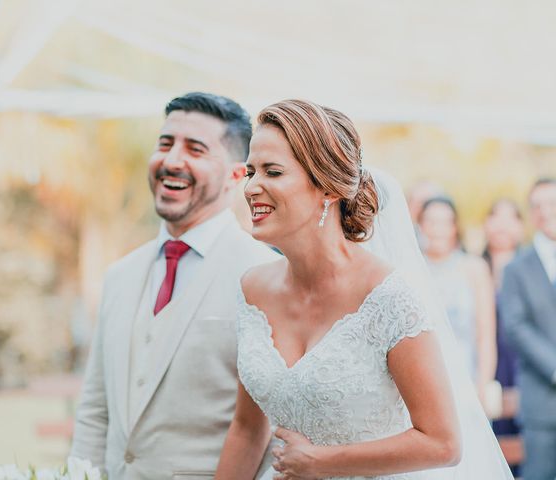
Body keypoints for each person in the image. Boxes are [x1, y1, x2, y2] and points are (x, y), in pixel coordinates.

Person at [216, 99, 512, 479]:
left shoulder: (388, 298)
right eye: (251, 172)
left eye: (273, 172)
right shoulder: (253, 288)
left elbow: (443, 443)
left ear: (327, 187)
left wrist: (318, 463)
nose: (253, 187)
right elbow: (246, 428)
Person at [70, 92, 278, 479]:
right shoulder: (120, 275)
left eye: (195, 149)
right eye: (165, 144)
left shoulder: (266, 274)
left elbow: (272, 430)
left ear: (237, 174)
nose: (171, 160)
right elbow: (95, 411)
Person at [500, 178, 556, 480]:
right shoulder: (516, 269)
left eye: (552, 204)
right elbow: (515, 327)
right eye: (538, 206)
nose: (546, 212)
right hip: (543, 405)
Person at [418, 196, 497, 405]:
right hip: (420, 379)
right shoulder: (411, 270)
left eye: (445, 222)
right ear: (420, 225)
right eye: (431, 222)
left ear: (455, 227)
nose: (437, 230)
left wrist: (483, 383)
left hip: (465, 377)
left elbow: (485, 333)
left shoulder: (474, 268)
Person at [483, 198, 525, 476]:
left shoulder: (532, 268)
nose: (502, 225)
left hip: (522, 366)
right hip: (487, 365)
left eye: (510, 218)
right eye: (495, 216)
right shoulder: (472, 266)